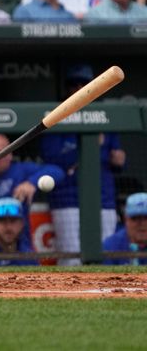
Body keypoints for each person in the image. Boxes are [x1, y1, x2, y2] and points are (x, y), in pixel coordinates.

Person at [41, 64, 126, 265]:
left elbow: (119, 160)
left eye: (84, 84)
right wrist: (82, 148)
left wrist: (117, 157)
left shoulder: (104, 117)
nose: (79, 88)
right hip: (67, 199)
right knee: (71, 258)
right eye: (74, 85)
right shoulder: (56, 116)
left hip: (103, 198)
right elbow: (50, 156)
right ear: (68, 89)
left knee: (104, 254)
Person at [103, 192, 147, 265]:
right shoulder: (110, 246)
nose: (142, 224)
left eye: (146, 218)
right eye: (135, 218)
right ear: (125, 219)